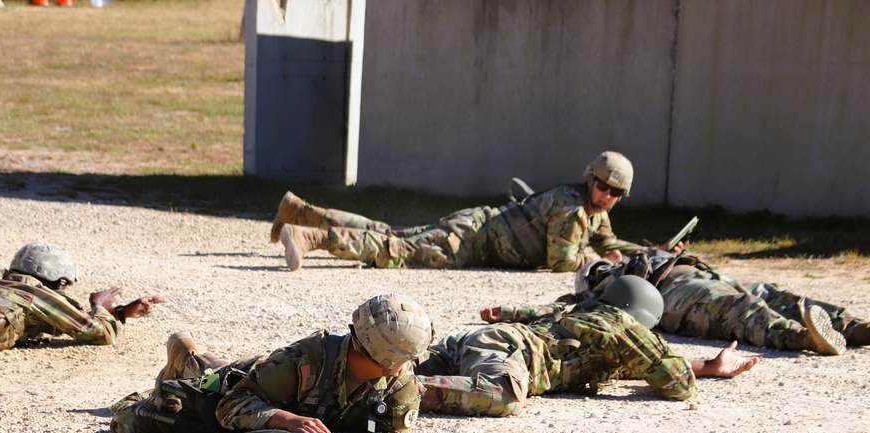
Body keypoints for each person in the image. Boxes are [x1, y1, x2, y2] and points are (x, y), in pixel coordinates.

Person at [109, 294, 433, 433]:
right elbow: (231, 405)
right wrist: (287, 421)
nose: (405, 366)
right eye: (402, 360)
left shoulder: (400, 381)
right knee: (193, 388)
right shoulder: (304, 360)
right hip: (245, 381)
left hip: (268, 385)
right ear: (382, 357)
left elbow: (390, 430)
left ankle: (189, 354)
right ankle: (184, 353)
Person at [270, 151, 682, 272]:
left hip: (478, 226)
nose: (608, 195)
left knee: (392, 234)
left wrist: (650, 251)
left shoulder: (590, 206)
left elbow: (608, 240)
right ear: (591, 179)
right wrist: (599, 260)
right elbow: (563, 260)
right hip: (475, 240)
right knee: (398, 251)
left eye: (615, 193)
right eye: (604, 186)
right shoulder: (574, 209)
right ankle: (313, 237)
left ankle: (301, 211)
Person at [414, 276, 758, 418]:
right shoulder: (619, 325)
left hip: (480, 346)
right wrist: (680, 364)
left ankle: (380, 374)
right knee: (503, 395)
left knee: (389, 364)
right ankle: (400, 391)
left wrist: (712, 365)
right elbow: (676, 383)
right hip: (505, 352)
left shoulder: (591, 316)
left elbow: (634, 365)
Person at [574, 248, 870, 356]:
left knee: (776, 296)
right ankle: (802, 337)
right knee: (738, 309)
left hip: (701, 275)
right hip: (674, 297)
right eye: (598, 268)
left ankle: (866, 330)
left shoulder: (632, 256)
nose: (606, 266)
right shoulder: (598, 291)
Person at [0, 242, 166, 365]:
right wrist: (101, 306)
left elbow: (58, 323)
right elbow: (101, 334)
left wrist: (120, 312)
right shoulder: (37, 295)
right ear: (57, 283)